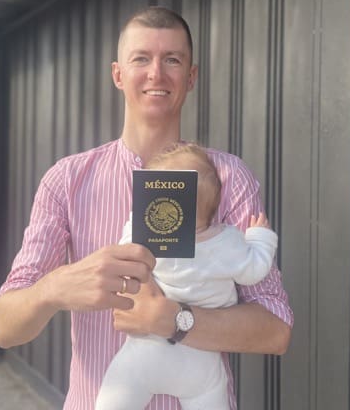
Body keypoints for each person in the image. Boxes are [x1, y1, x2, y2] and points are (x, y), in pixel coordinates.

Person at [0, 6, 293, 410]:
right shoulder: (67, 179)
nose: (156, 74)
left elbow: (276, 329)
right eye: (141, 59)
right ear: (118, 74)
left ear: (191, 76)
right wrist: (55, 288)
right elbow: (4, 328)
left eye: (172, 60)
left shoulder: (227, 176)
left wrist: (175, 320)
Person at [95, 143, 278, 410]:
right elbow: (254, 270)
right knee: (211, 396)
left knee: (115, 396)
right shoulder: (227, 241)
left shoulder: (147, 241)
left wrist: (136, 221)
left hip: (144, 354)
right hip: (200, 363)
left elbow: (126, 252)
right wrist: (260, 238)